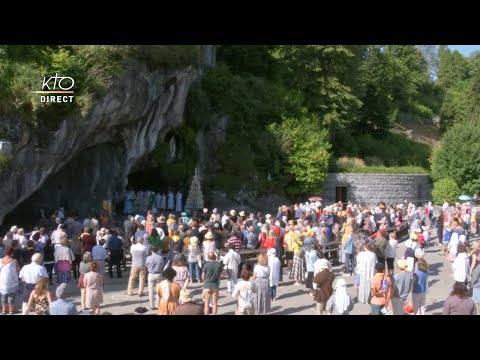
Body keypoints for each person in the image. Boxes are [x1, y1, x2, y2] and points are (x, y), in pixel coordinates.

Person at [0, 245, 20, 314]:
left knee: (3, 295)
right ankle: (11, 310)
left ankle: (4, 310)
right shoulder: (14, 261)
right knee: (11, 296)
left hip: (2, 281)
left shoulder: (0, 260)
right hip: (11, 281)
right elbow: (18, 270)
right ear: (12, 252)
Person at [146, 245, 165, 310]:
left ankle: (151, 306)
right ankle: (157, 305)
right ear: (157, 250)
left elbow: (147, 265)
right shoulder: (160, 257)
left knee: (151, 291)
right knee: (158, 291)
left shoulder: (148, 258)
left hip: (151, 274)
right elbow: (163, 265)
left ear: (151, 250)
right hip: (158, 274)